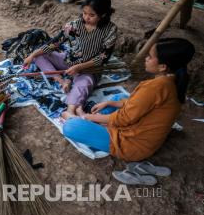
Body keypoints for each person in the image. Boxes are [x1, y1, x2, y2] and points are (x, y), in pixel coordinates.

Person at [63, 38, 195, 162]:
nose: (146, 59)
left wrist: (86, 117)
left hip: (131, 146)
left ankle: (80, 118)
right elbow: (139, 104)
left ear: (163, 67)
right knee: (116, 99)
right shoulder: (172, 81)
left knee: (70, 126)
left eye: (150, 56)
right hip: (141, 134)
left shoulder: (155, 87)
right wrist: (110, 103)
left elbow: (123, 119)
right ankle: (91, 119)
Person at [23, 0, 118, 119]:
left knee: (84, 84)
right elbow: (54, 43)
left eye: (92, 15)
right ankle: (62, 81)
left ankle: (70, 110)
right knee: (39, 56)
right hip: (68, 62)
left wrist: (79, 67)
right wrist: (32, 55)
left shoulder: (109, 30)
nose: (86, 17)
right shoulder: (75, 26)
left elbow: (104, 57)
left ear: (104, 14)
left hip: (89, 69)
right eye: (84, 13)